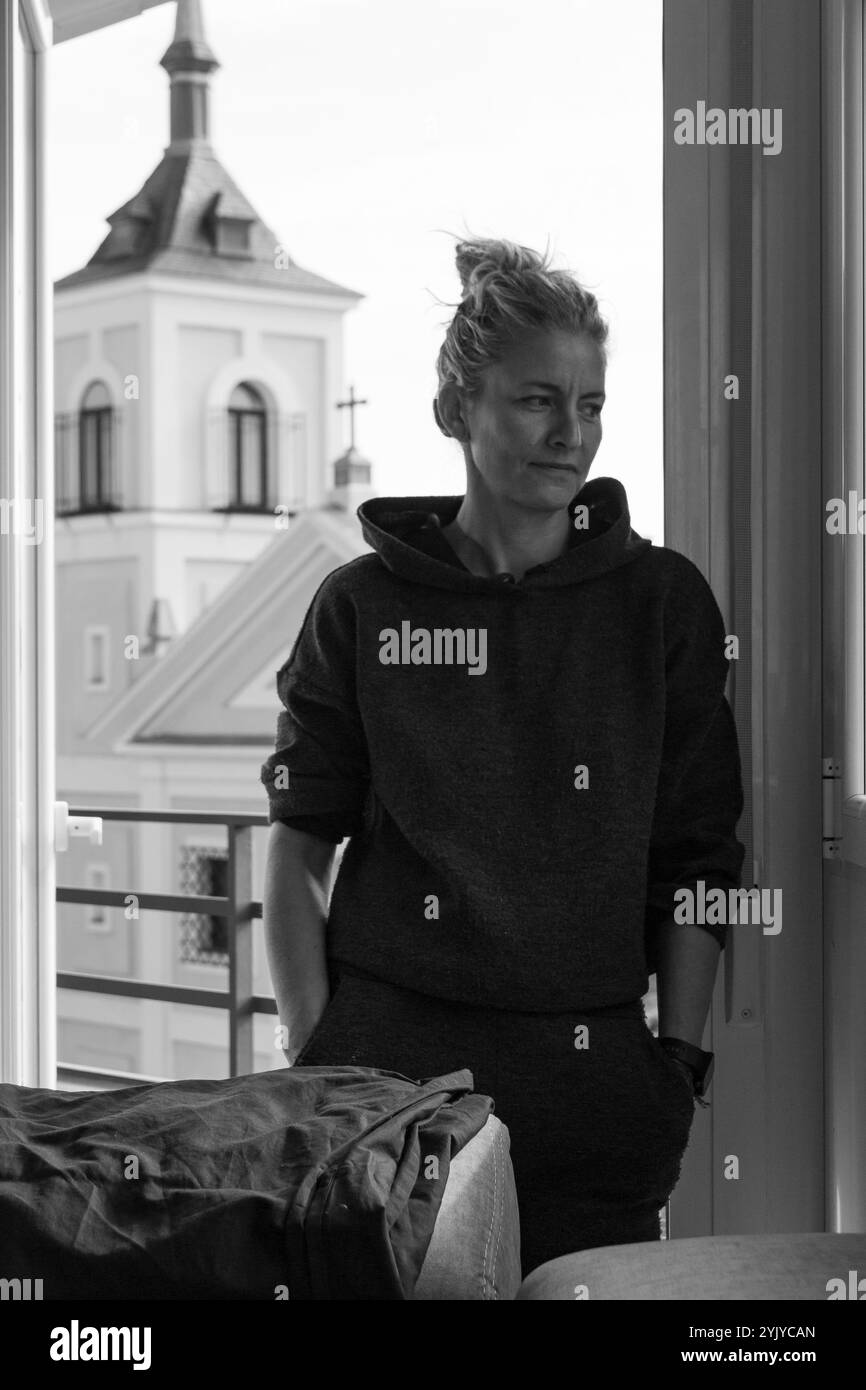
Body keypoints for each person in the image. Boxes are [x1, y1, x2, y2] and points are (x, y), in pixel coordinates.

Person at [260, 236, 745, 1278]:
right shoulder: (361, 607)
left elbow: (698, 854)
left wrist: (680, 1064)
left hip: (599, 1095)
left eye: (589, 404)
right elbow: (298, 843)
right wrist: (316, 1044)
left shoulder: (660, 605)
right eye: (536, 400)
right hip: (389, 1092)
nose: (569, 433)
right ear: (455, 410)